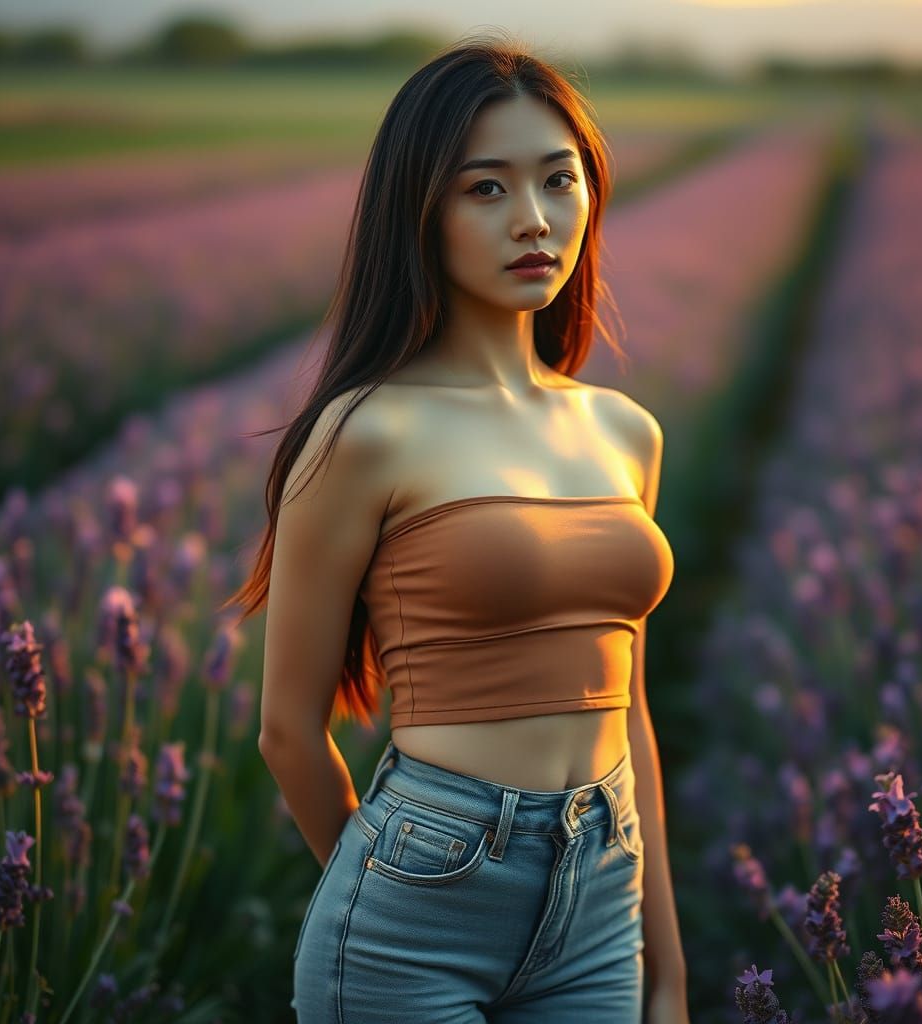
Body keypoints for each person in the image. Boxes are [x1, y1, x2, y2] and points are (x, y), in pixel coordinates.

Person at [224, 31, 691, 1024]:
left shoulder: (622, 432)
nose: (534, 220)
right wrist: (398, 881)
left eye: (557, 181)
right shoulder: (366, 432)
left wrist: (665, 961)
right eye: (486, 189)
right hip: (418, 902)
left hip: (600, 891)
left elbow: (629, 706)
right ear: (420, 210)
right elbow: (287, 730)